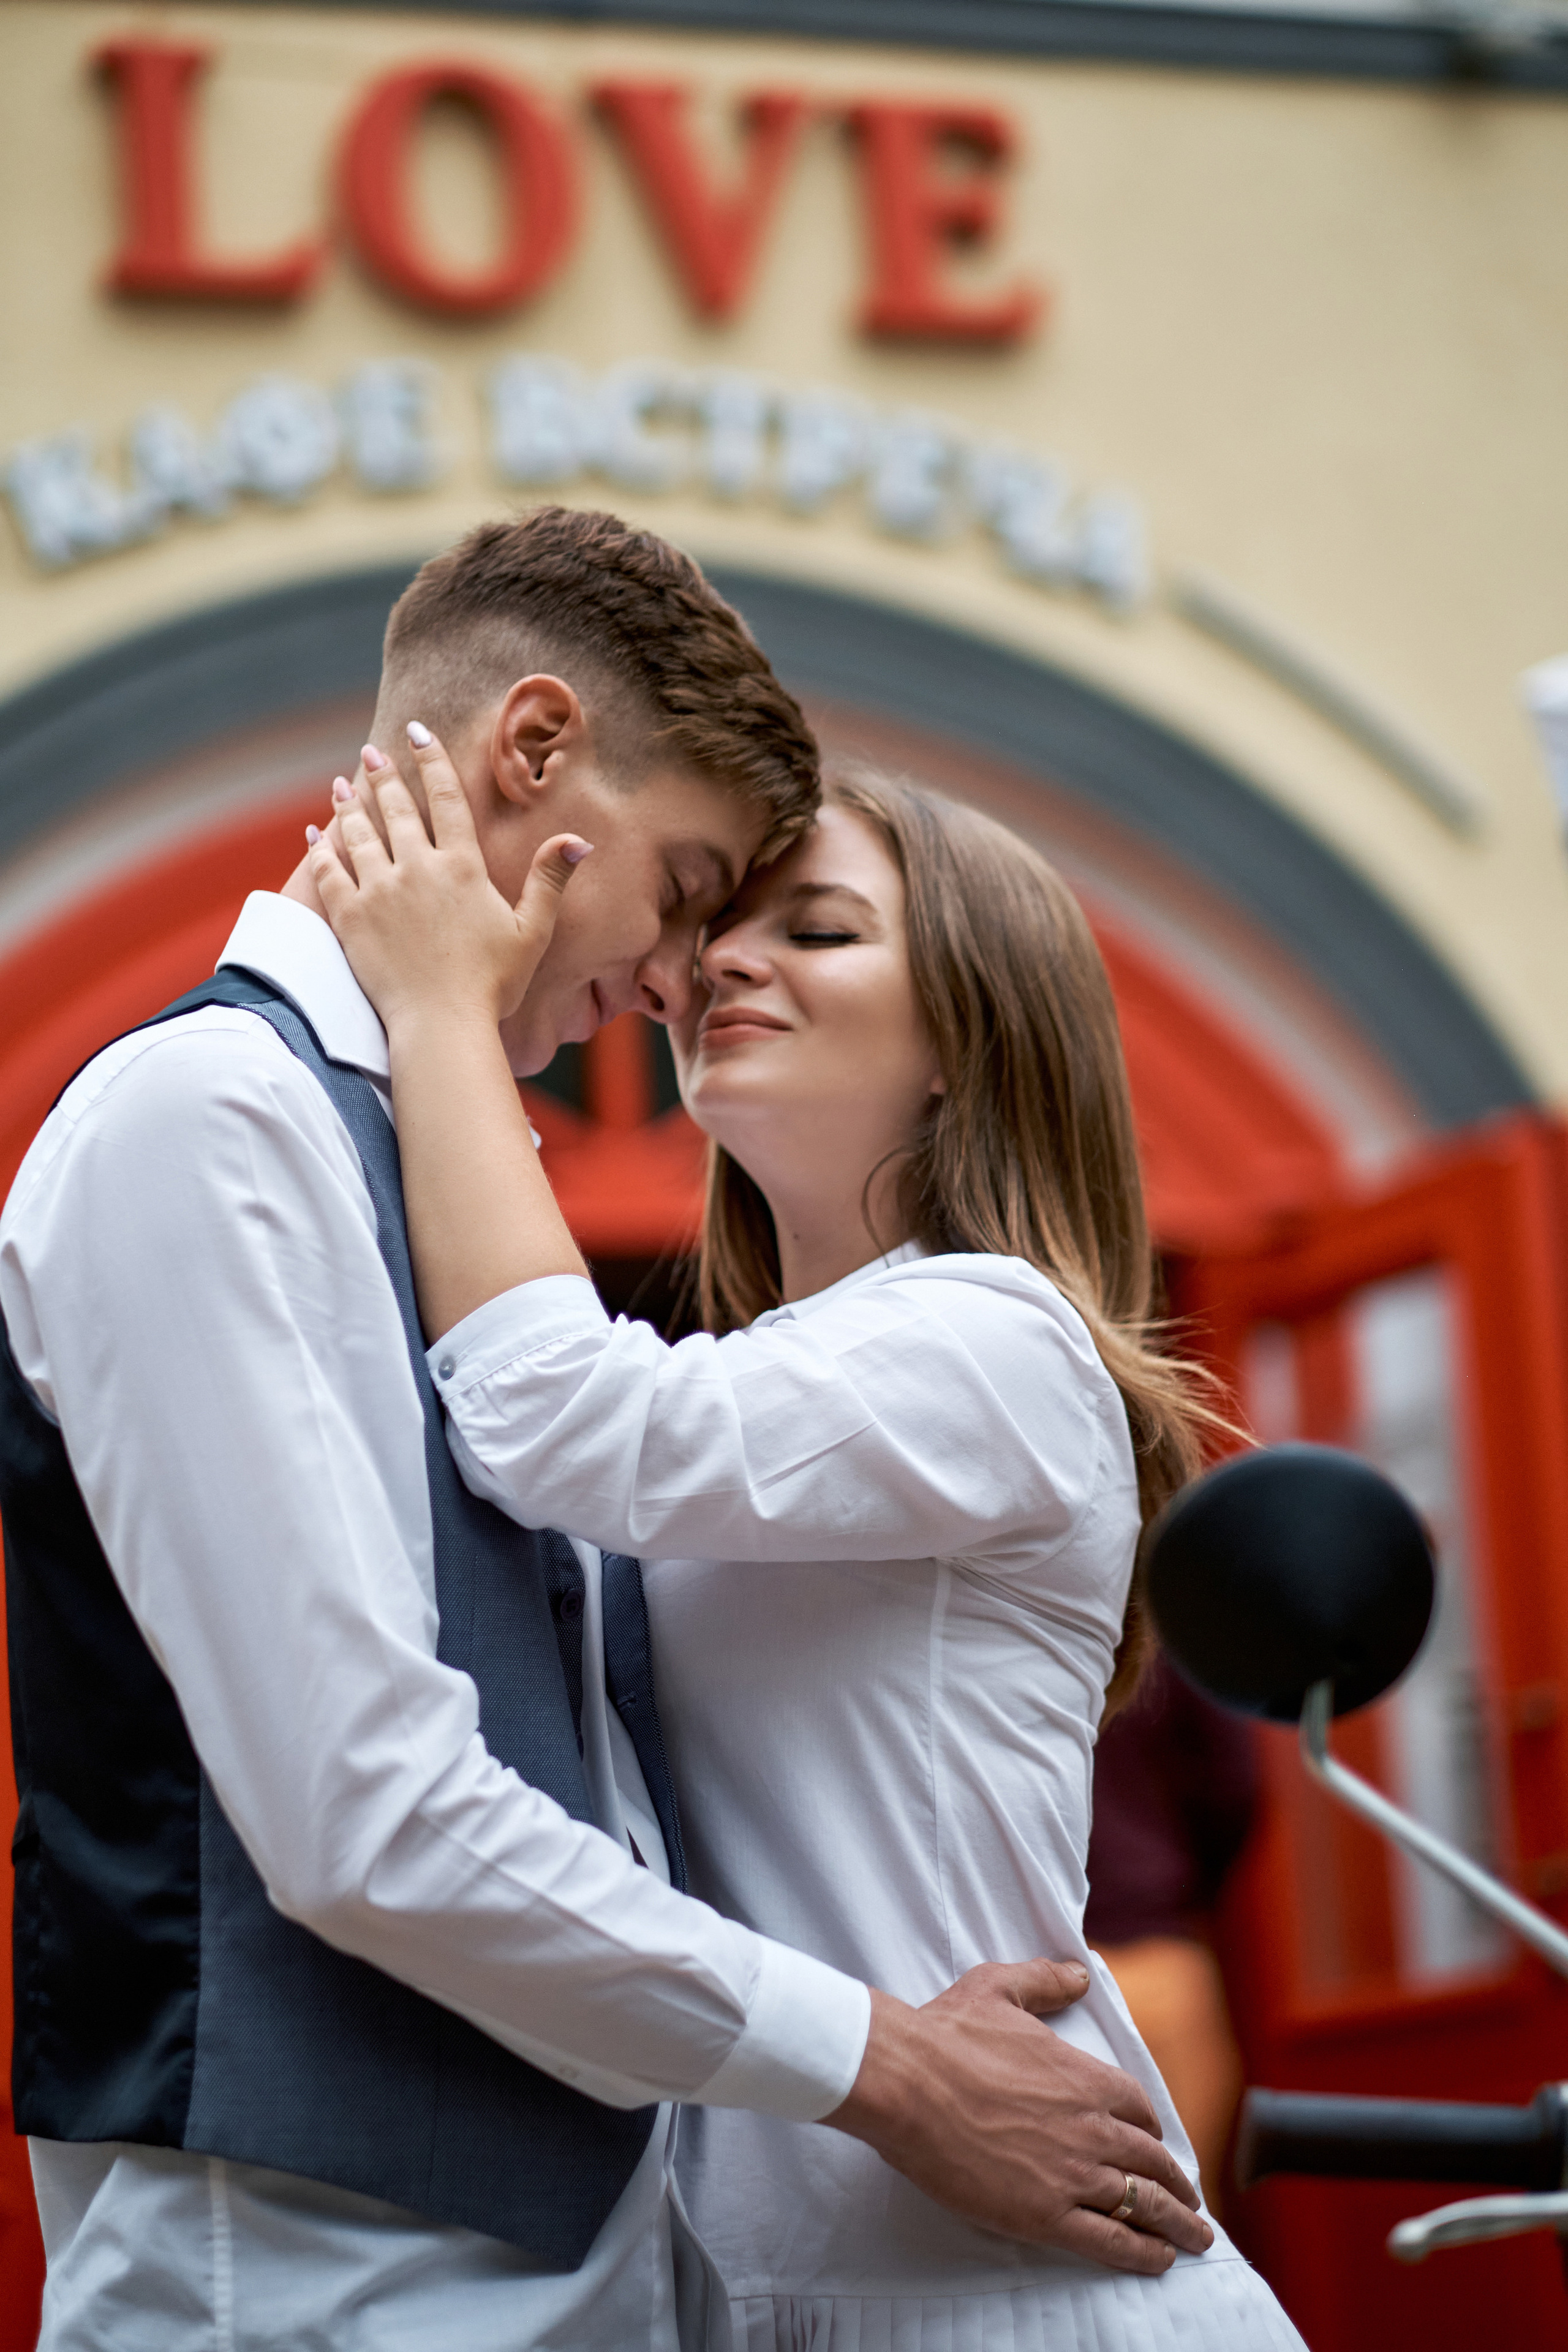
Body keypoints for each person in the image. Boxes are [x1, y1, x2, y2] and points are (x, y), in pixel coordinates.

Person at [0, 510, 1208, 2352]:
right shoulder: (212, 1121)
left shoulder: (422, 1173)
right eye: (690, 879)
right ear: (534, 752)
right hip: (314, 2287)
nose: (676, 974)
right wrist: (877, 2060)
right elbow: (361, 1811)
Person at [306, 737, 1306, 2348]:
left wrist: (437, 1010)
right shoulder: (787, 1392)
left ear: (965, 1045)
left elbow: (554, 1414)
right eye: (720, 930)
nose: (722, 963)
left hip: (1012, 2300)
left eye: (819, 929)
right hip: (795, 2282)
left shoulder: (997, 1339)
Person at [1086, 1652, 1260, 2207]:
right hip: (1160, 1960)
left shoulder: (995, 1614)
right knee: (1186, 2219)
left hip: (1029, 1970)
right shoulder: (1167, 1630)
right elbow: (1235, 1787)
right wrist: (1171, 1881)